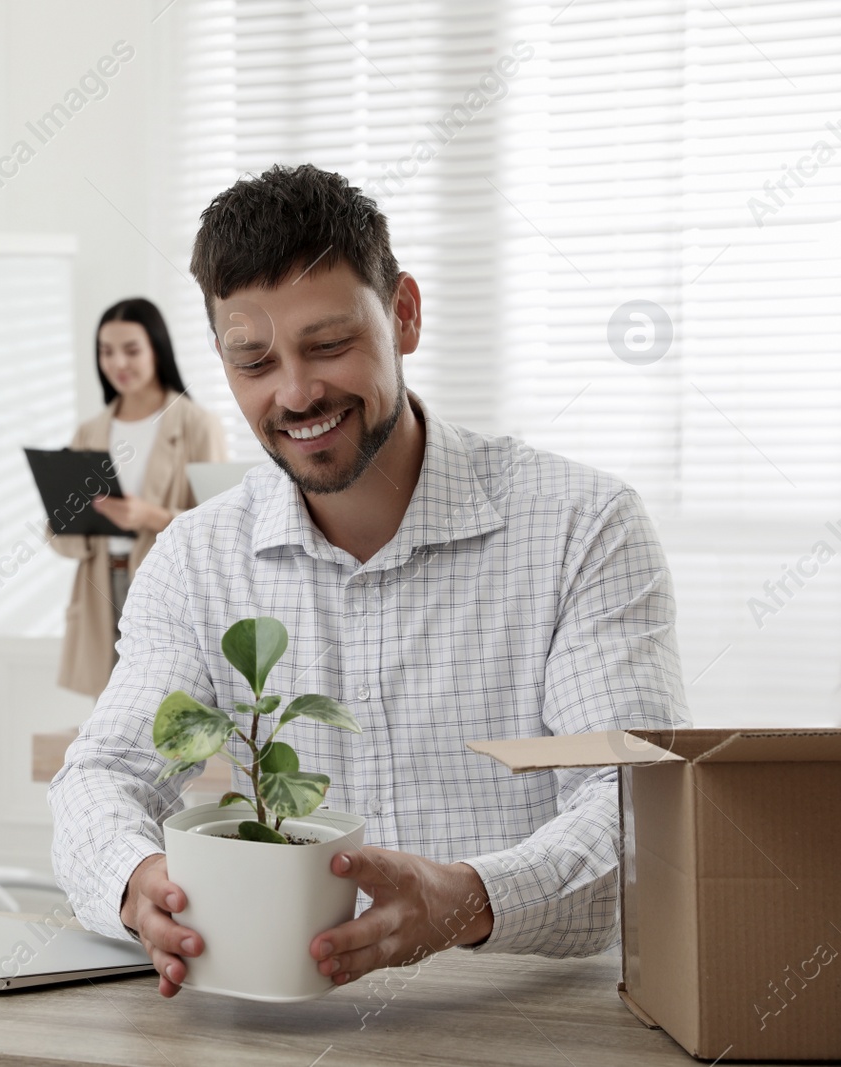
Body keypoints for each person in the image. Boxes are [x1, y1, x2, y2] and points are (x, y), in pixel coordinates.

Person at [48, 165, 686, 997]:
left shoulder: (583, 527)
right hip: (281, 1028)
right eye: (254, 361)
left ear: (406, 315)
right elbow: (102, 774)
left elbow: (635, 802)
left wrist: (467, 897)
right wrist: (137, 881)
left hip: (536, 1019)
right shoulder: (198, 558)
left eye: (328, 345)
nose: (296, 391)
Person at [49, 297, 227, 698]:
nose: (118, 364)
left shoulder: (197, 425)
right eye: (106, 352)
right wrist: (67, 516)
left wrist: (150, 516)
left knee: (164, 706)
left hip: (163, 582)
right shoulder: (90, 431)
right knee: (110, 713)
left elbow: (221, 527)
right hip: (100, 585)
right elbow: (62, 537)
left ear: (157, 349)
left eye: (131, 350)